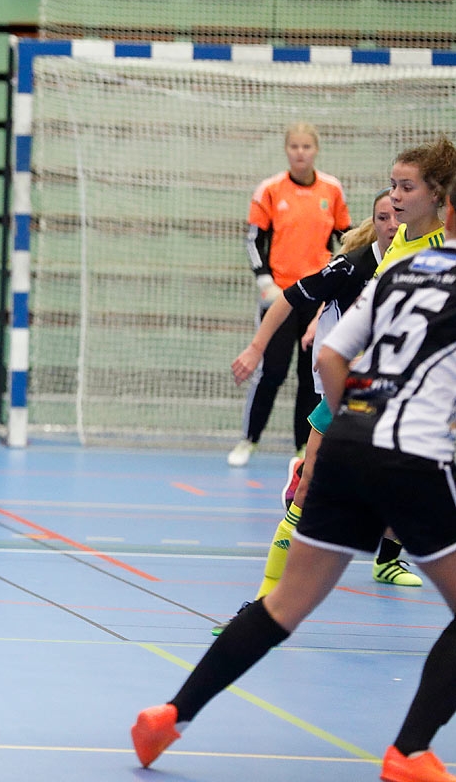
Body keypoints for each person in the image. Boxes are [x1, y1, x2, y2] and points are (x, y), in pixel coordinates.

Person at [132, 170, 456, 782]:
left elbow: (330, 355)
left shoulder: (399, 273)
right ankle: (409, 753)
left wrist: (332, 436)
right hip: (409, 451)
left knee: (284, 605)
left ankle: (168, 717)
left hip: (349, 438)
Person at [218, 191, 406, 635]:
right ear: (373, 221)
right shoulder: (351, 266)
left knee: (404, 498)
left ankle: (388, 559)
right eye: (382, 216)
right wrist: (257, 346)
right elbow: (288, 298)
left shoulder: (424, 265)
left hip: (398, 400)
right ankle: (263, 601)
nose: (391, 224)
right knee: (308, 497)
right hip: (343, 396)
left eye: (397, 215)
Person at [230, 123, 350, 466]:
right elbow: (254, 239)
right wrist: (264, 280)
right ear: (287, 150)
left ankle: (303, 446)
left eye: (307, 146)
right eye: (295, 146)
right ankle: (248, 439)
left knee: (309, 375)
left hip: (318, 298)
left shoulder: (332, 189)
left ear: (316, 150)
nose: (301, 152)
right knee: (273, 370)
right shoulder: (269, 190)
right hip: (281, 295)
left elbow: (347, 235)